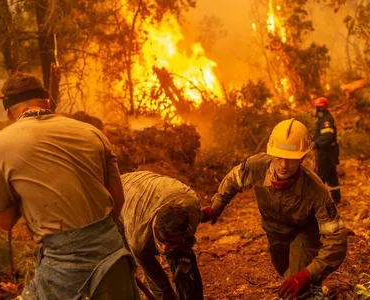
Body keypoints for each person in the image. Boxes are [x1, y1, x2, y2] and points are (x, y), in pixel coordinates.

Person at [0, 72, 139, 299]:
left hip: (62, 267)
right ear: (47, 100)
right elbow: (118, 200)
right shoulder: (92, 133)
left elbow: (4, 221)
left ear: (8, 112)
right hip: (113, 256)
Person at [201, 119, 347, 300]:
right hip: (274, 232)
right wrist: (215, 208)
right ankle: (316, 288)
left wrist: (306, 275)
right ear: (271, 153)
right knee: (284, 272)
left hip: (303, 233)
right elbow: (233, 180)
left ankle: (311, 290)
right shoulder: (256, 167)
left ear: (302, 158)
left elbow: (337, 241)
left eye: (291, 159)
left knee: (298, 286)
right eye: (279, 157)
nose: (284, 165)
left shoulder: (316, 190)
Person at [117, 171, 204, 300]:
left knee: (185, 265)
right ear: (155, 227)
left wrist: (183, 257)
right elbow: (157, 282)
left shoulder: (192, 211)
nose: (163, 248)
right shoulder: (138, 239)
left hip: (160, 189)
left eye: (171, 242)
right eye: (162, 240)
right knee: (125, 262)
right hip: (119, 194)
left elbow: (186, 244)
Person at [312, 97, 341, 204]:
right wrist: (312, 139)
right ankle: (336, 199)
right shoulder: (322, 119)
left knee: (320, 176)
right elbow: (321, 135)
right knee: (331, 175)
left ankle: (318, 201)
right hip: (328, 152)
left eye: (317, 107)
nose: (315, 110)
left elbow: (327, 136)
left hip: (326, 153)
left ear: (322, 108)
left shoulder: (326, 120)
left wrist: (316, 143)